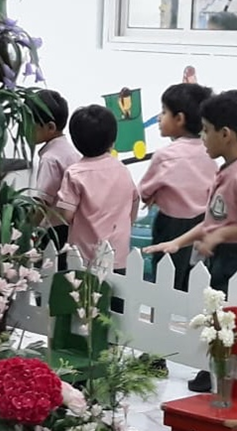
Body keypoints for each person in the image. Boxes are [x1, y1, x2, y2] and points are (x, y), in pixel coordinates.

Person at [144, 90, 237, 393]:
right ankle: (213, 370)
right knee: (216, 318)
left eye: (206, 130)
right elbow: (211, 222)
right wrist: (177, 242)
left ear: (225, 134)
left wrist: (222, 235)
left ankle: (226, 379)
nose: (202, 137)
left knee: (232, 322)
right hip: (220, 258)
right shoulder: (226, 173)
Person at [138, 83, 217, 291]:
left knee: (165, 279)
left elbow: (144, 191)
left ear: (179, 119)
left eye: (164, 112)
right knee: (194, 279)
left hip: (170, 225)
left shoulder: (165, 156)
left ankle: (160, 310)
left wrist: (154, 195)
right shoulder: (209, 153)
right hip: (202, 224)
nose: (159, 118)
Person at [56, 105, 140, 279]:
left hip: (83, 256)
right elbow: (134, 203)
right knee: (116, 294)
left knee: (82, 294)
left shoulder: (74, 173)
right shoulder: (122, 169)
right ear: (112, 141)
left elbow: (66, 215)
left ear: (76, 142)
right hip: (118, 255)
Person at [32, 90, 80, 270]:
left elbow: (42, 203)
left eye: (30, 124)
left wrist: (25, 230)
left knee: (47, 278)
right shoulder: (71, 153)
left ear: (50, 127)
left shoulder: (50, 159)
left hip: (54, 231)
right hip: (72, 229)